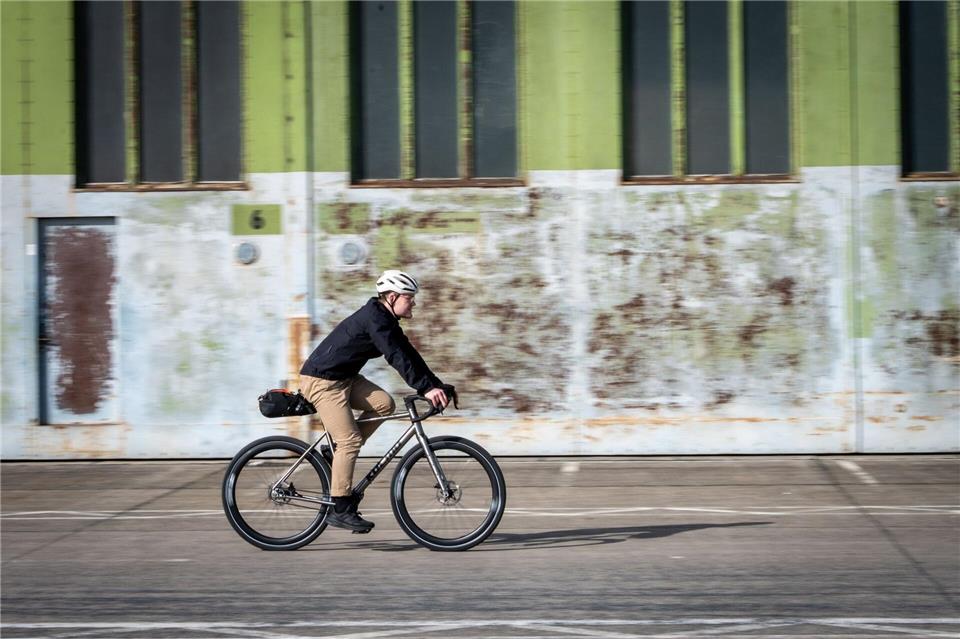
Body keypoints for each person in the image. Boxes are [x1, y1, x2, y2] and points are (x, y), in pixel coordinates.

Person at [298, 270, 450, 533]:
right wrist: (425, 388)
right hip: (322, 382)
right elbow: (396, 357)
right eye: (409, 297)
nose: (413, 302)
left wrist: (434, 384)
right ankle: (341, 508)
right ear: (392, 297)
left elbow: (408, 353)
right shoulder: (375, 320)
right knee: (351, 441)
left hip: (344, 378)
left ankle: (332, 451)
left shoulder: (385, 319)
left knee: (384, 404)